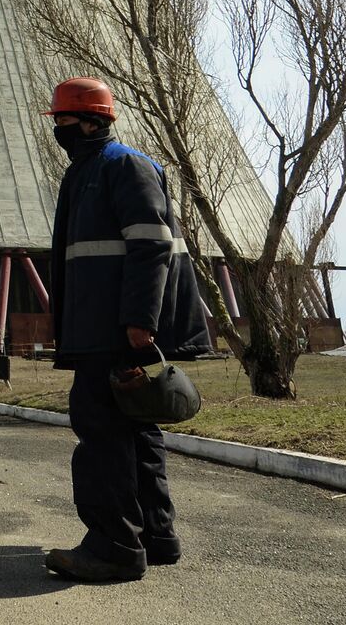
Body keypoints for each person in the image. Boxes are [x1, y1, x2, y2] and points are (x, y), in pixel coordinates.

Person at [41, 76, 213, 583]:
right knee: (137, 429)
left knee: (102, 432)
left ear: (93, 120)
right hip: (101, 325)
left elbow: (150, 245)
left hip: (117, 329)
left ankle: (114, 547)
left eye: (65, 120)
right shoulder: (85, 173)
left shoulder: (125, 166)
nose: (60, 130)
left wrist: (141, 321)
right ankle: (155, 537)